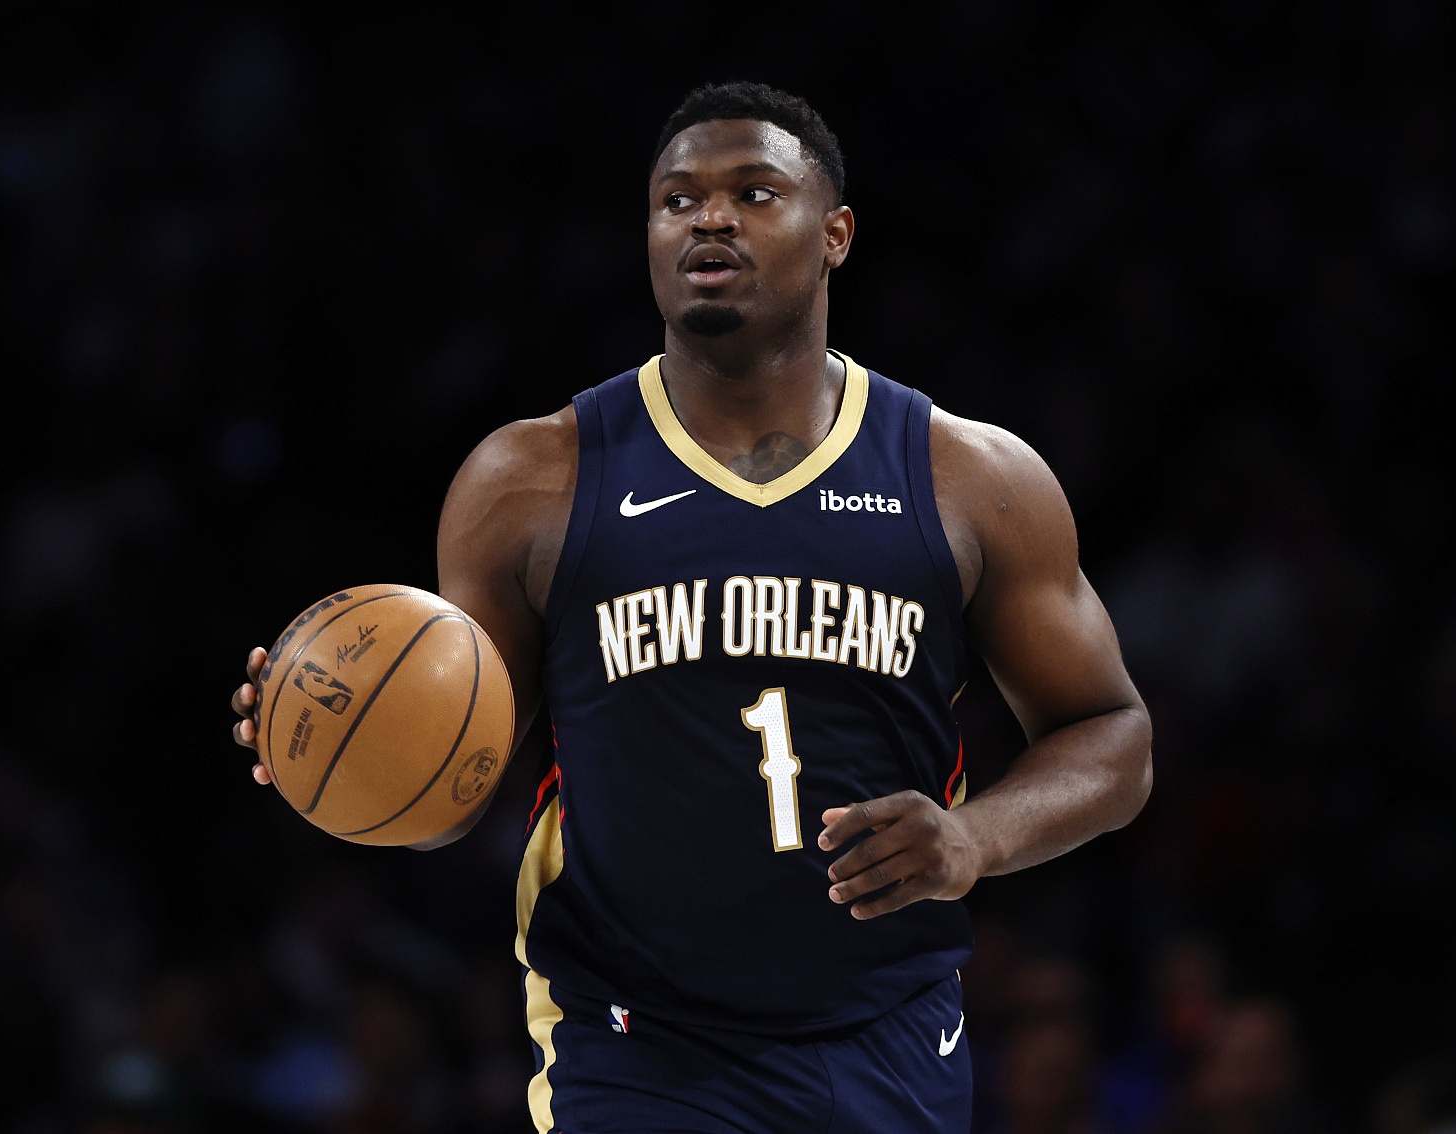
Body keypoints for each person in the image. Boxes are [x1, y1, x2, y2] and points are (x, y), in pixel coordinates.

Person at [231, 82, 1153, 1133]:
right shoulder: (529, 480)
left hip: (886, 1034)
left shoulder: (969, 478)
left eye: (754, 192)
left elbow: (1113, 736)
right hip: (632, 1045)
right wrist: (344, 734)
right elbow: (455, 792)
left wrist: (973, 839)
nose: (709, 216)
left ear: (836, 234)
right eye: (677, 200)